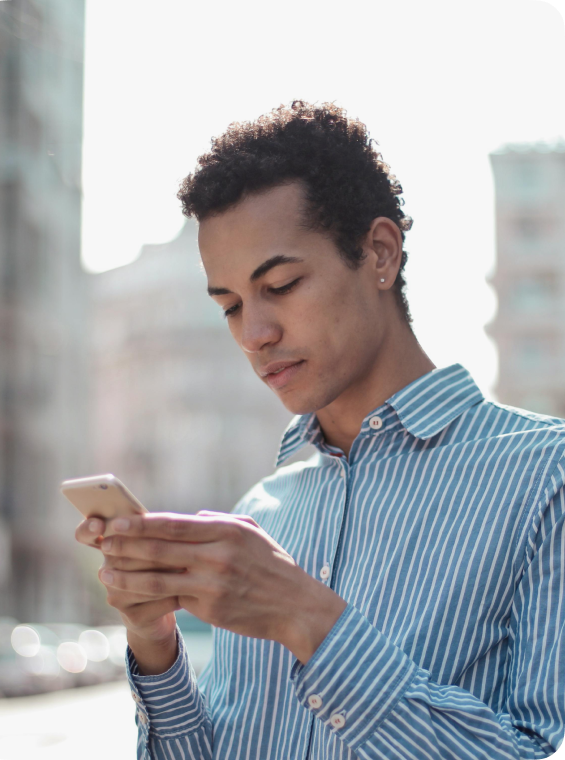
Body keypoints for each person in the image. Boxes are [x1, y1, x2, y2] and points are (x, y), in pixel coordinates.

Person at [76, 101, 565, 760]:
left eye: (280, 284)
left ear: (380, 253)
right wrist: (155, 643)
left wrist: (309, 620)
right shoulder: (263, 511)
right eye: (229, 306)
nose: (255, 335)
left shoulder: (546, 479)